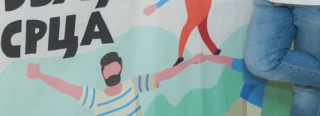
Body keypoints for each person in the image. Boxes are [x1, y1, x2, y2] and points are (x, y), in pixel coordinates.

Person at [27, 51, 203, 114]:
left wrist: (189, 62)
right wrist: (40, 75)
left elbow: (164, 75)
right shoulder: (96, 97)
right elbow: (66, 88)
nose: (110, 71)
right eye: (107, 69)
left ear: (121, 68)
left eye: (113, 67)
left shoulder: (133, 85)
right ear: (102, 74)